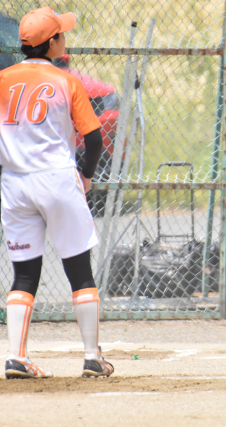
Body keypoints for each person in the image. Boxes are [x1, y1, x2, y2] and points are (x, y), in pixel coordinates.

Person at [0, 7, 113, 379]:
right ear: (52, 43)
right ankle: (92, 357)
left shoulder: (2, 80)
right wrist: (86, 175)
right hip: (57, 179)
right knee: (79, 270)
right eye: (61, 34)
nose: (65, 38)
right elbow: (94, 139)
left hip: (15, 183)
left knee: (25, 274)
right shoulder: (67, 81)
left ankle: (16, 356)